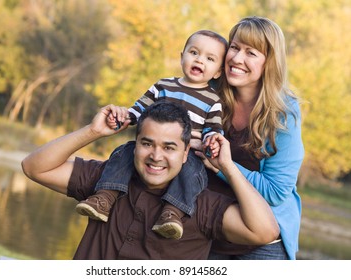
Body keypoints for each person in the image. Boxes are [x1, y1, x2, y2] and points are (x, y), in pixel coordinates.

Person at [21, 101, 279, 259]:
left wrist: (227, 167)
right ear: (135, 145)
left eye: (169, 147)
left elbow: (264, 231)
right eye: (147, 143)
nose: (156, 156)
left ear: (185, 152)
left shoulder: (201, 206)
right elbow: (34, 167)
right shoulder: (107, 182)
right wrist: (93, 132)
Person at [75, 30, 228, 240]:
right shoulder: (163, 86)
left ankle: (172, 213)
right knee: (124, 152)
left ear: (218, 72)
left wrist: (212, 142)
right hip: (151, 146)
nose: (200, 60)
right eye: (194, 53)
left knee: (193, 171)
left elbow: (213, 130)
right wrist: (122, 117)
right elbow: (138, 110)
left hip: (187, 153)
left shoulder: (213, 100)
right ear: (182, 55)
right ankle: (104, 197)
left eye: (209, 59)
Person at [201, 16, 304, 260]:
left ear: (269, 63)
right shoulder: (208, 93)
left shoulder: (284, 113)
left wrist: (223, 167)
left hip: (262, 240)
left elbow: (276, 191)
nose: (237, 59)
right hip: (208, 228)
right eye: (235, 47)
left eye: (251, 53)